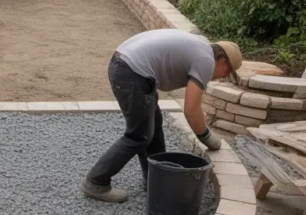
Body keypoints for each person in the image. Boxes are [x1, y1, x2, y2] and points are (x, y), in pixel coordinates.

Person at [83, 29, 242, 203]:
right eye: (225, 73)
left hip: (129, 65)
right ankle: (96, 182)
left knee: (153, 123)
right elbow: (191, 108)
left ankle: (154, 179)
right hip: (132, 72)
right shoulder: (206, 61)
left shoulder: (202, 46)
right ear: (221, 61)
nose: (219, 78)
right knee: (138, 136)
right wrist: (206, 136)